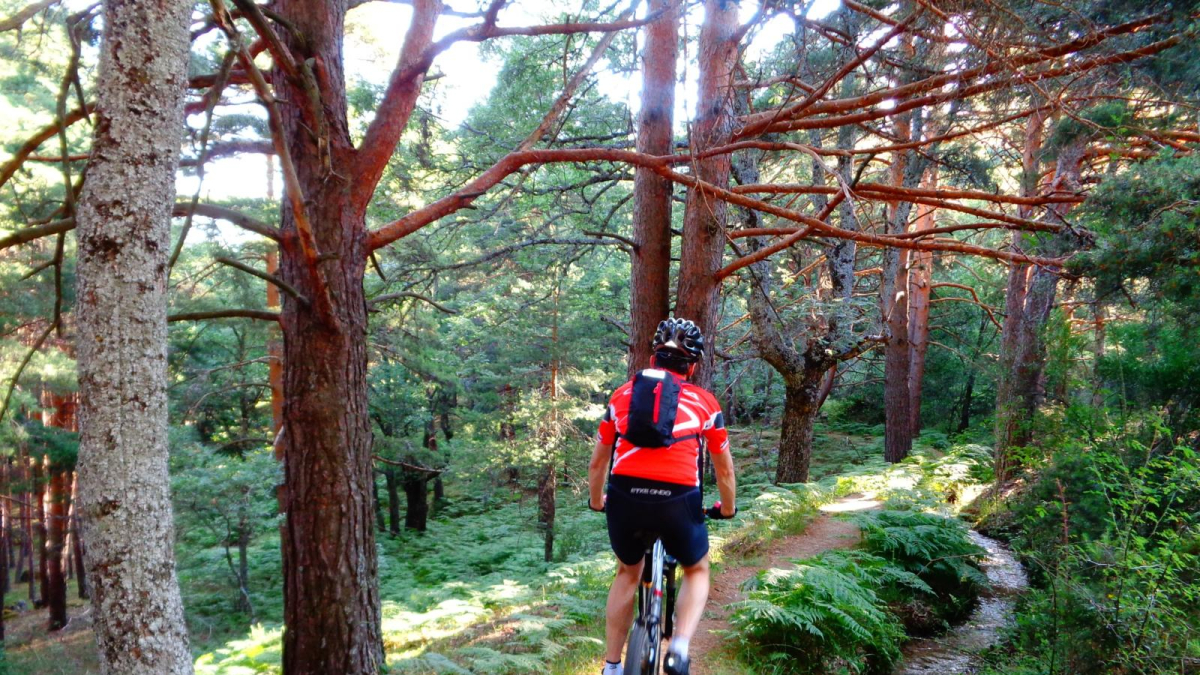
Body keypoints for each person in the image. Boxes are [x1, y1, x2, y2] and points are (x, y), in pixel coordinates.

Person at [588, 318, 737, 675]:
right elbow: (725, 470)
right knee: (697, 568)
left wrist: (597, 501)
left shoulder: (621, 396)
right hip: (678, 500)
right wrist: (727, 509)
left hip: (625, 497)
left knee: (627, 572)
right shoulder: (705, 404)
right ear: (694, 364)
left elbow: (598, 464)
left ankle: (611, 667)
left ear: (654, 358)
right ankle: (680, 650)